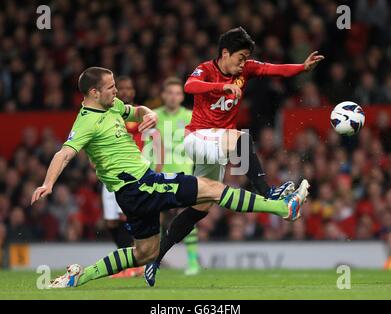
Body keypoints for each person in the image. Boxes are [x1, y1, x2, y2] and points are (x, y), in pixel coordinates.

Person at [30, 66, 309, 288]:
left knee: (145, 254)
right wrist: (48, 183)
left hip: (132, 192)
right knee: (212, 188)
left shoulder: (111, 106)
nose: (116, 91)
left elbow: (135, 110)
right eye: (110, 88)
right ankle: (282, 207)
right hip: (139, 184)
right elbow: (64, 154)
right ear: (93, 92)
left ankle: (79, 276)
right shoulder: (86, 121)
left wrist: (148, 113)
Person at [144, 27, 324, 286]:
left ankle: (155, 258)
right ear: (225, 53)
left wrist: (301, 67)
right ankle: (268, 193)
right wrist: (223, 87)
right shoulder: (206, 69)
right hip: (197, 138)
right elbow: (189, 85)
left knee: (201, 207)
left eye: (246, 58)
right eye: (240, 57)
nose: (243, 63)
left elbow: (273, 69)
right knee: (240, 137)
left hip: (217, 146)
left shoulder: (245, 69)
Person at [147, 77, 200, 275]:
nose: (173, 97)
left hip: (184, 174)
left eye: (177, 93)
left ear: (182, 96)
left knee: (187, 217)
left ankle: (193, 262)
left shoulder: (191, 116)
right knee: (156, 220)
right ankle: (155, 261)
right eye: (169, 93)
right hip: (158, 175)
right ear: (163, 95)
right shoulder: (154, 116)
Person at [101, 75, 144, 278]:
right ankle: (129, 263)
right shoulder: (107, 113)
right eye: (122, 88)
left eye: (130, 88)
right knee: (111, 220)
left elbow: (155, 140)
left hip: (132, 173)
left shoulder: (139, 114)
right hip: (110, 172)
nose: (126, 91)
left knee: (126, 216)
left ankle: (131, 264)